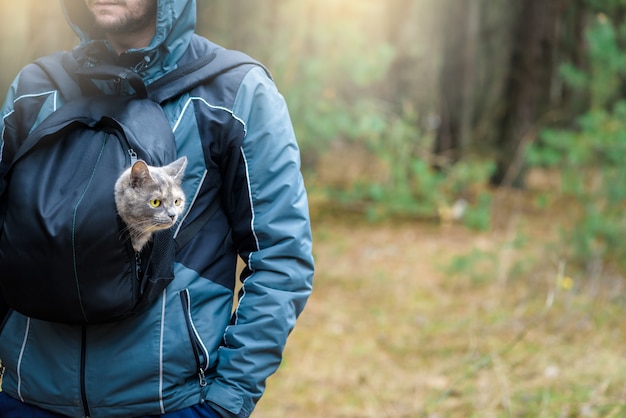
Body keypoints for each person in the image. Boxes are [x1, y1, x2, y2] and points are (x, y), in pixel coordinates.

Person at [0, 1, 314, 417]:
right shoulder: (37, 87)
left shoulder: (232, 92)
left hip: (171, 404)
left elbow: (282, 257)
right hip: (27, 398)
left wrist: (226, 402)